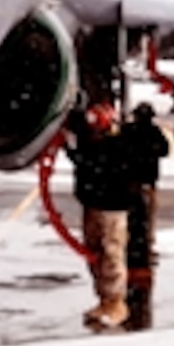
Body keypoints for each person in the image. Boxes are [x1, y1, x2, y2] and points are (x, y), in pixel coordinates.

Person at [65, 100, 134, 329]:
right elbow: (82, 159)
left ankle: (116, 303)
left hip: (112, 206)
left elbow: (96, 163)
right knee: (95, 253)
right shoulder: (93, 145)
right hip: (94, 203)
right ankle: (104, 299)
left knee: (111, 253)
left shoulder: (118, 147)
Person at [122, 101, 172, 313]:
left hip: (127, 183)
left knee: (129, 218)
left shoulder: (128, 132)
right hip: (147, 182)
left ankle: (131, 247)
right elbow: (165, 151)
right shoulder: (154, 133)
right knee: (147, 219)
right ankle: (145, 248)